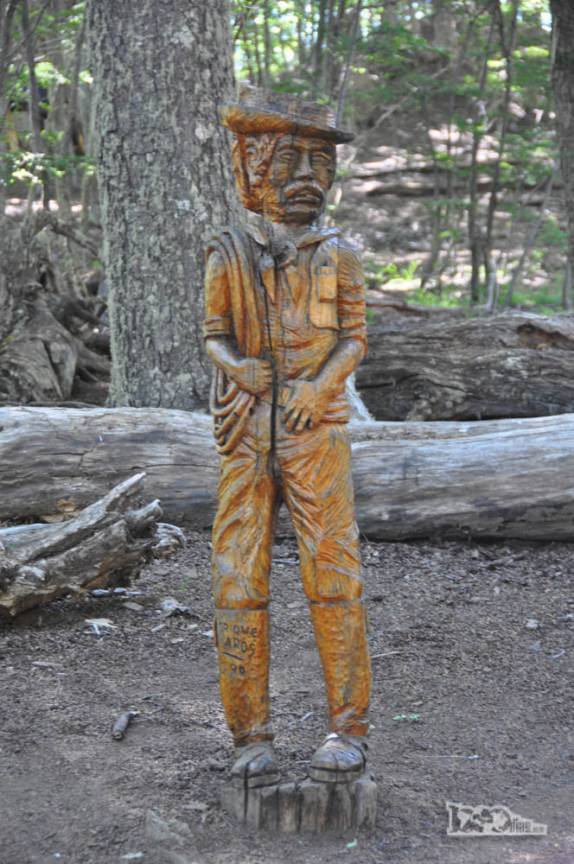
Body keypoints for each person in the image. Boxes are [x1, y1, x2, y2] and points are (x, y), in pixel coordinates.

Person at [203, 86, 371, 788]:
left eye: (320, 163)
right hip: (245, 435)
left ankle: (349, 728)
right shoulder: (228, 253)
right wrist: (240, 368)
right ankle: (250, 734)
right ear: (252, 168)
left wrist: (319, 387)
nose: (307, 177)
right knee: (238, 578)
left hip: (315, 434)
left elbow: (354, 337)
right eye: (289, 161)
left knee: (334, 576)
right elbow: (213, 334)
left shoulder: (340, 255)